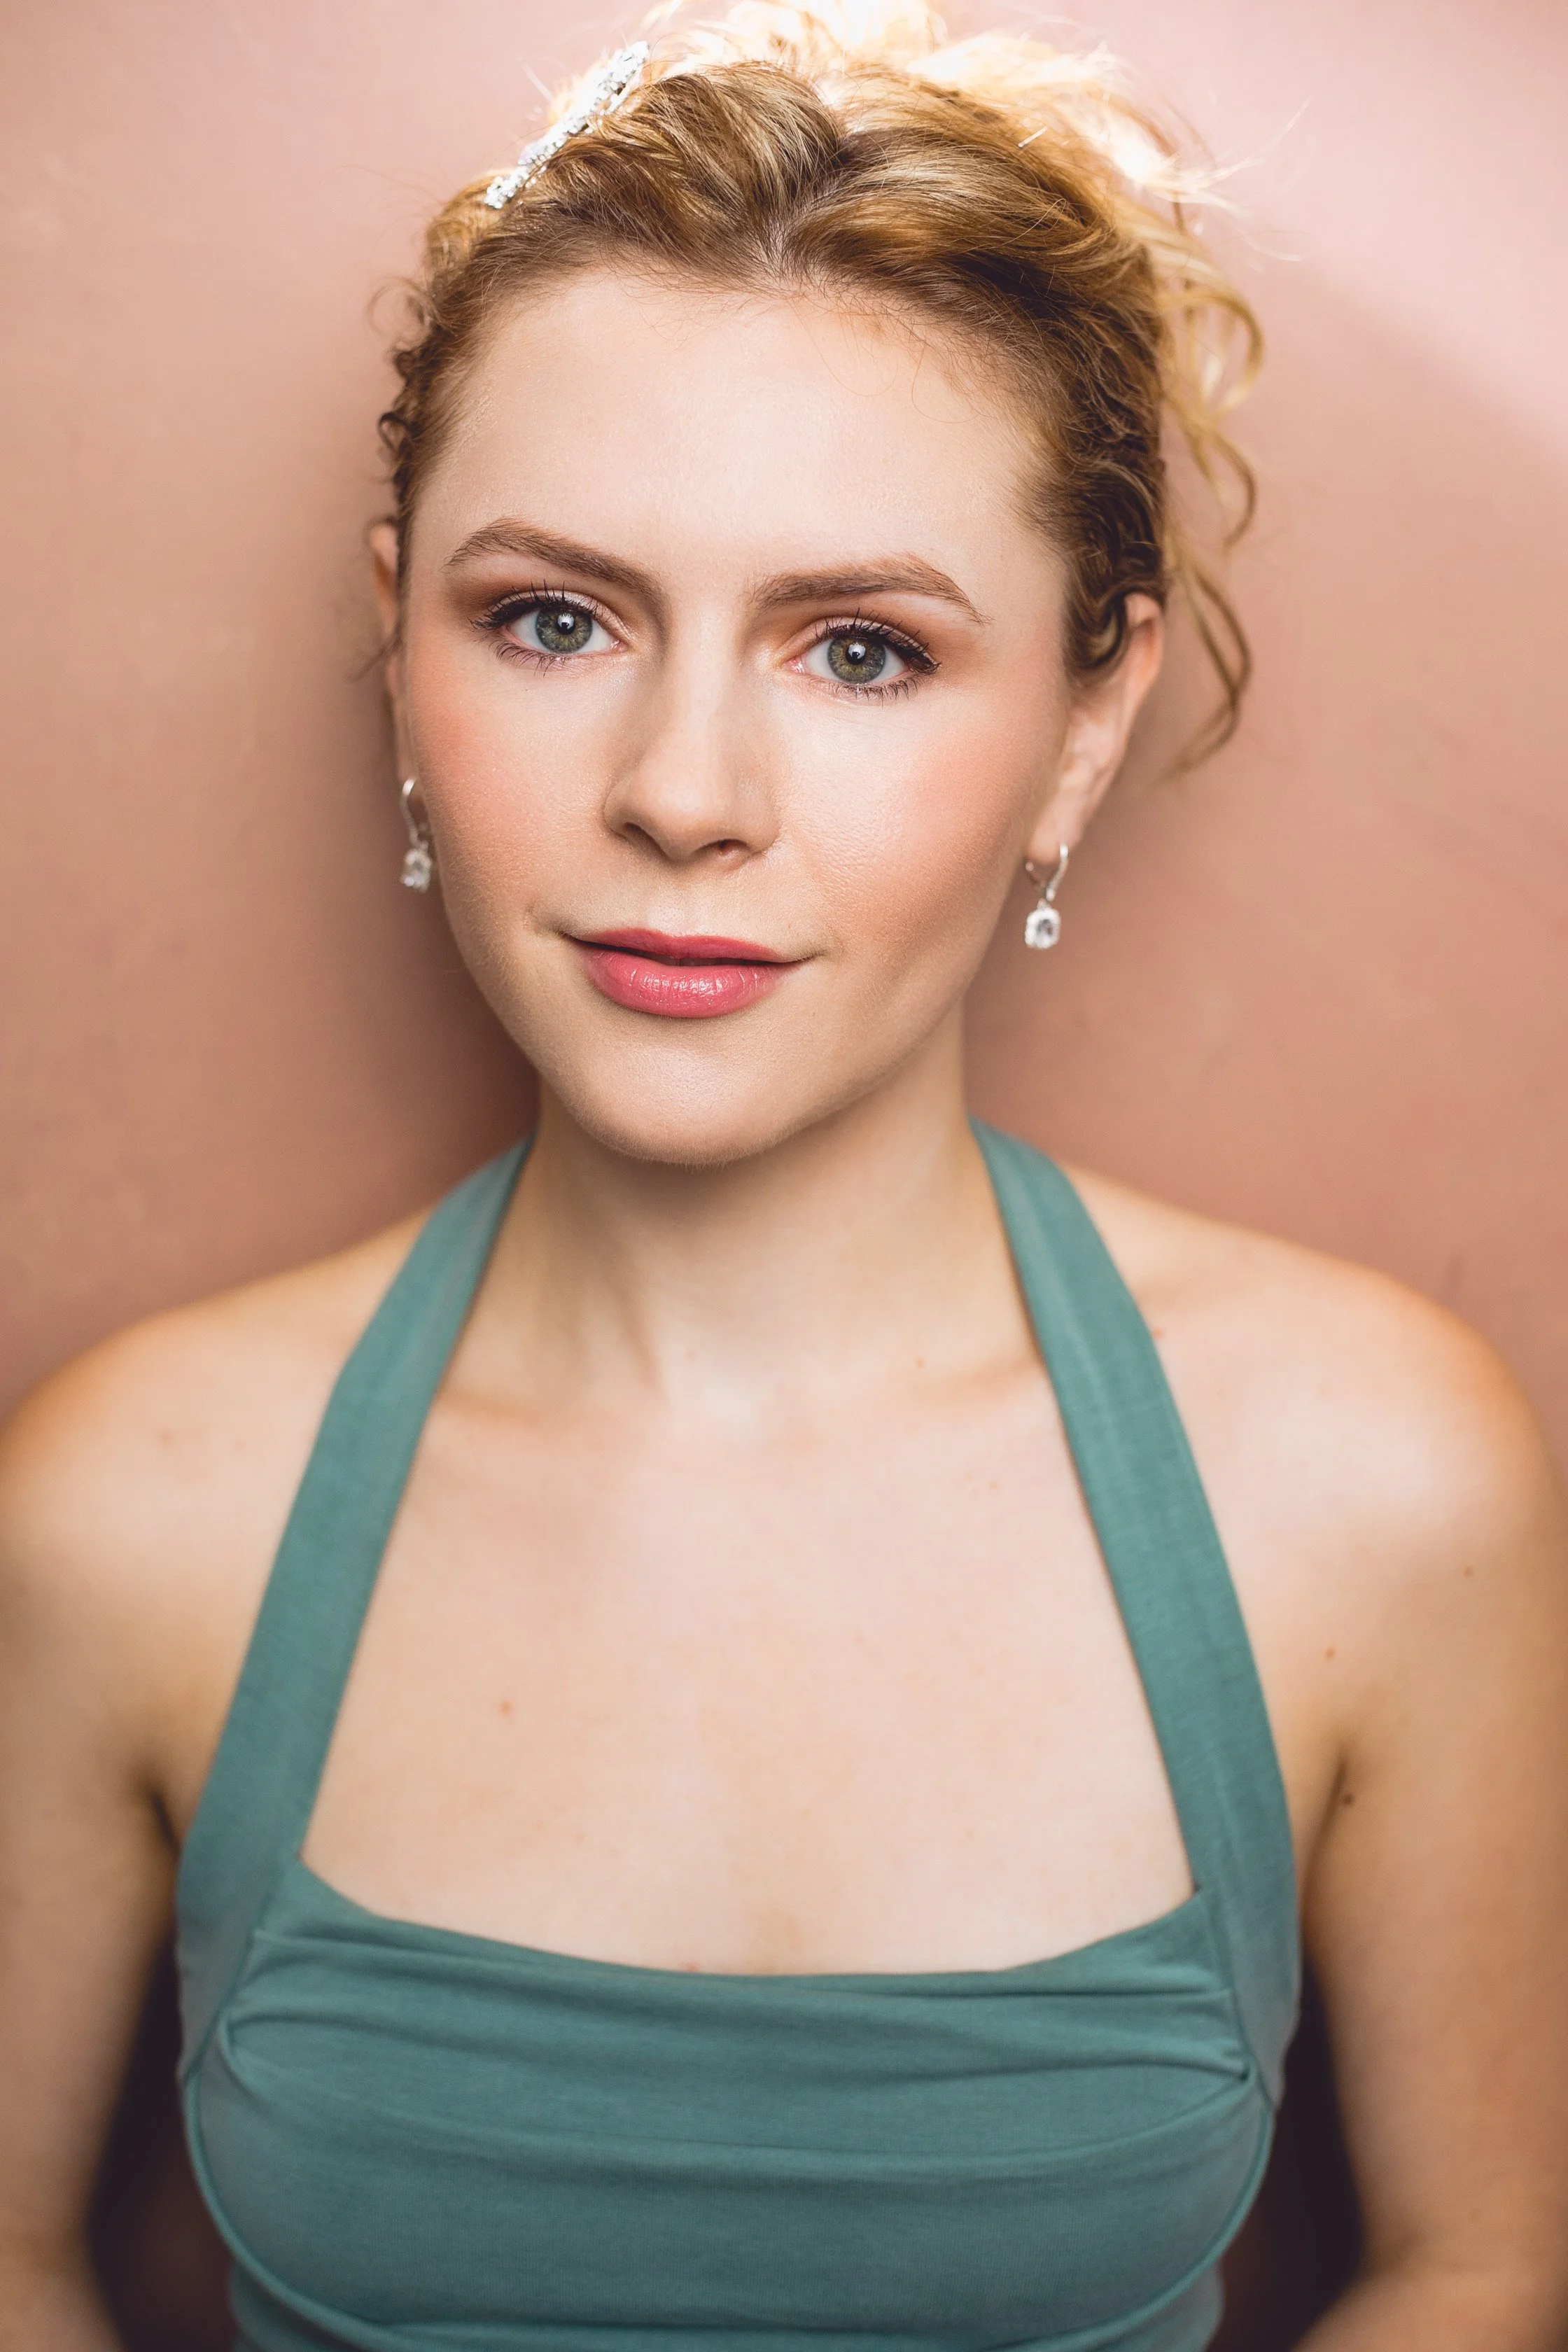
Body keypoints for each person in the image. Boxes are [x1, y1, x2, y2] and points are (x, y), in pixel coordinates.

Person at [3, 5, 1567, 2347]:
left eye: (861, 650)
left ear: (1087, 721)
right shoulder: (132, 1509)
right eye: (552, 620)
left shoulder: (1372, 1486)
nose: (686, 792)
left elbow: (1485, 2269)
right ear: (401, 637)